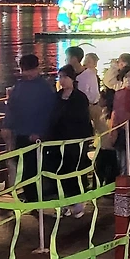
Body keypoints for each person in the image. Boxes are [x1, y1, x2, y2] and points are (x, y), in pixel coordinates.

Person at [3, 55, 58, 201]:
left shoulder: (44, 88)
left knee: (33, 167)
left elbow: (49, 112)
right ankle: (31, 196)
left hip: (37, 135)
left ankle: (34, 197)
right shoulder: (20, 86)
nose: (27, 73)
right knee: (24, 165)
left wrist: (40, 132)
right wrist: (7, 126)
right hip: (21, 133)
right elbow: (11, 107)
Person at [49, 66, 94, 218]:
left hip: (75, 140)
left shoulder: (80, 98)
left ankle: (78, 203)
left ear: (72, 79)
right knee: (59, 171)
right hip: (58, 140)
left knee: (75, 170)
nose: (62, 80)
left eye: (64, 77)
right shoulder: (56, 97)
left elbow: (83, 120)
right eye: (60, 77)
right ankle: (63, 204)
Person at [79, 52, 108, 136]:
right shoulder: (83, 75)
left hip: (94, 105)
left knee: (100, 127)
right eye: (85, 61)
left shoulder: (93, 75)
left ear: (95, 64)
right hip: (90, 104)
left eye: (89, 61)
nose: (85, 64)